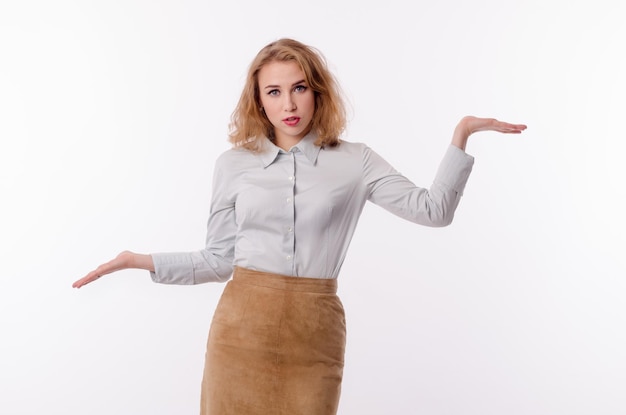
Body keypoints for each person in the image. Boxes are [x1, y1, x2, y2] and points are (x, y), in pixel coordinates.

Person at [72, 38, 526, 415]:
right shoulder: (233, 165)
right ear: (258, 100)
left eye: (299, 88)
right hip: (239, 331)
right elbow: (217, 260)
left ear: (318, 92)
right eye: (273, 92)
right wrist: (136, 260)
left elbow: (434, 211)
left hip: (314, 333)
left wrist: (461, 136)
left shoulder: (356, 161)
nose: (288, 104)